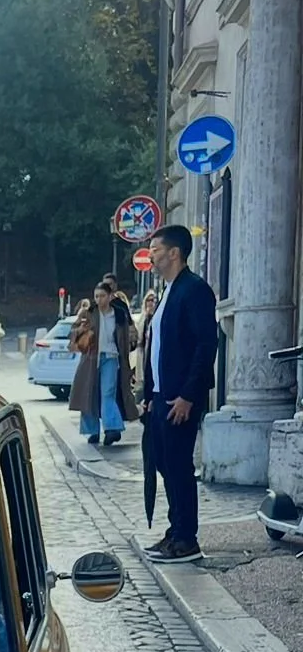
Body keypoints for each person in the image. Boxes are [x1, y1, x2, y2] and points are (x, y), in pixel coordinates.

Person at [143, 224, 219, 563]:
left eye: (156, 249)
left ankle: (187, 540)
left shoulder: (194, 290)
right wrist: (148, 392)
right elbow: (155, 348)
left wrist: (189, 395)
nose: (151, 255)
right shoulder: (167, 292)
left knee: (179, 467)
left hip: (181, 399)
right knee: (164, 464)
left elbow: (206, 345)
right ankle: (175, 531)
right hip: (161, 397)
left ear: (174, 252)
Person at [69, 277, 136, 448]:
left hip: (112, 357)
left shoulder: (119, 313)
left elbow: (127, 336)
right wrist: (81, 329)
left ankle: (112, 429)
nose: (99, 300)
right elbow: (73, 331)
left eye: (102, 296)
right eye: (96, 296)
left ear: (110, 296)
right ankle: (92, 431)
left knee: (108, 393)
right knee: (89, 394)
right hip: (91, 359)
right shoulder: (89, 312)